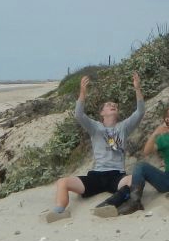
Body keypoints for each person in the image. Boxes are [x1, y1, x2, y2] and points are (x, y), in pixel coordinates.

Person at [44, 71, 144, 223]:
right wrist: (83, 93)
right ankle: (59, 210)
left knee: (134, 180)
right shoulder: (95, 128)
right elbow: (78, 114)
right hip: (96, 176)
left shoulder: (123, 127)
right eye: (109, 105)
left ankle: (109, 205)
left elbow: (140, 112)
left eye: (115, 105)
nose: (113, 106)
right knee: (62, 182)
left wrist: (137, 89)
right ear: (102, 113)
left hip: (116, 175)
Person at [117, 105, 169, 218]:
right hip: (168, 179)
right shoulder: (163, 138)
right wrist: (155, 134)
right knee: (140, 166)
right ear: (167, 120)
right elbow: (146, 152)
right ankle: (135, 202)